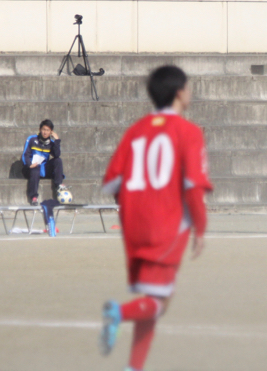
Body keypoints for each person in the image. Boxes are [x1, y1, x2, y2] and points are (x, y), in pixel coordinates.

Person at [99, 65, 212, 371]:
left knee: (154, 299)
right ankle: (119, 313)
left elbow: (111, 182)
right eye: (188, 87)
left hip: (134, 227)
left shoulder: (136, 130)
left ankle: (133, 367)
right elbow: (193, 187)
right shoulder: (189, 132)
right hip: (167, 226)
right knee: (159, 302)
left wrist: (135, 205)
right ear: (179, 93)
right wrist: (201, 229)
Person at [21, 119, 67, 205]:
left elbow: (57, 154)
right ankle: (34, 197)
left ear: (51, 132)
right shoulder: (31, 139)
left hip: (43, 169)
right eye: (44, 129)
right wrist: (29, 164)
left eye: (47, 130)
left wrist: (57, 140)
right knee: (35, 169)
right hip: (31, 168)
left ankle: (58, 186)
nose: (45, 132)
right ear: (40, 129)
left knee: (58, 160)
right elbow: (25, 154)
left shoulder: (51, 143)